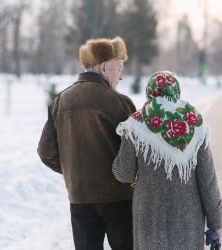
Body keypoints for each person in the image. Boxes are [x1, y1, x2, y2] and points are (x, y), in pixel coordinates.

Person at [37, 37, 136, 250]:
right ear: (103, 68)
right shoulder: (121, 102)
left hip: (80, 197)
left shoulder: (60, 100)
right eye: (119, 68)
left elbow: (46, 152)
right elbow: (137, 153)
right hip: (119, 199)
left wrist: (75, 171)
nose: (121, 75)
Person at [112, 71, 222, 250]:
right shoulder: (194, 122)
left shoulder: (135, 124)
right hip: (188, 220)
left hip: (150, 217)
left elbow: (124, 173)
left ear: (149, 92)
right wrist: (216, 224)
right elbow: (207, 180)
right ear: (176, 92)